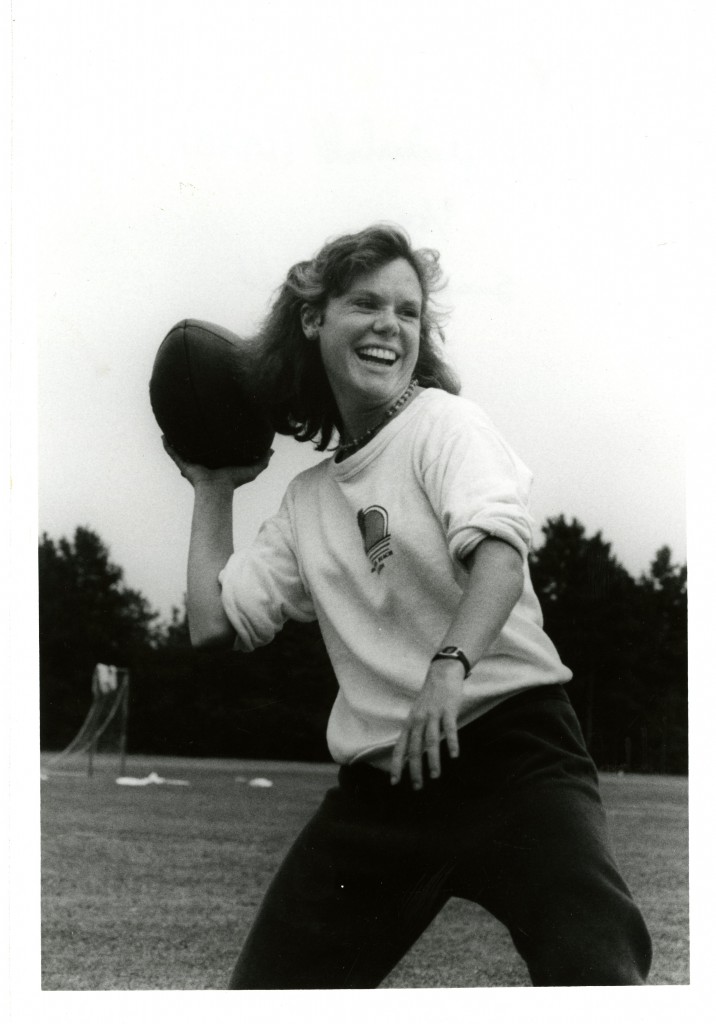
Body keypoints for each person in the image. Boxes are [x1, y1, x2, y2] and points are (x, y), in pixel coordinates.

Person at [163, 224, 652, 988]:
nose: (390, 325)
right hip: (385, 793)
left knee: (596, 973)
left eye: (409, 312)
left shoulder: (445, 426)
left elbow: (498, 551)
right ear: (314, 318)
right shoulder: (308, 501)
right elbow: (211, 626)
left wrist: (448, 669)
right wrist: (213, 488)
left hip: (514, 759)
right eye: (366, 303)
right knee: (266, 997)